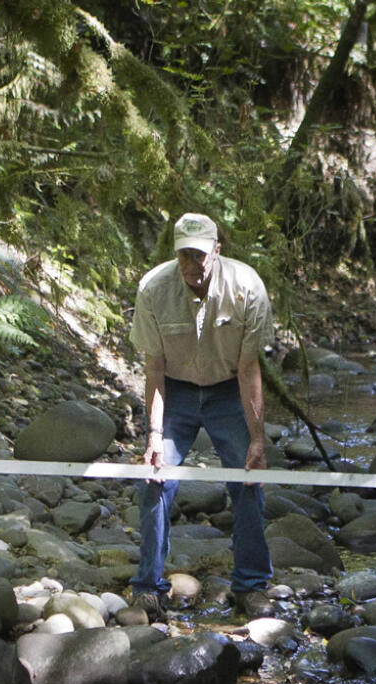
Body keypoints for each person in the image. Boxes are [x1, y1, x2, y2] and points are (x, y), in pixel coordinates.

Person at [127, 212, 275, 621]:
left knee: (247, 480)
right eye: (184, 256)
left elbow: (249, 369)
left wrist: (258, 438)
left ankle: (251, 584)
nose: (192, 265)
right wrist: (154, 437)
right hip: (174, 391)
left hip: (229, 389)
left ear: (217, 251)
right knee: (156, 481)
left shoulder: (246, 288)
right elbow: (153, 367)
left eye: (200, 255)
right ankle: (149, 587)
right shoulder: (154, 289)